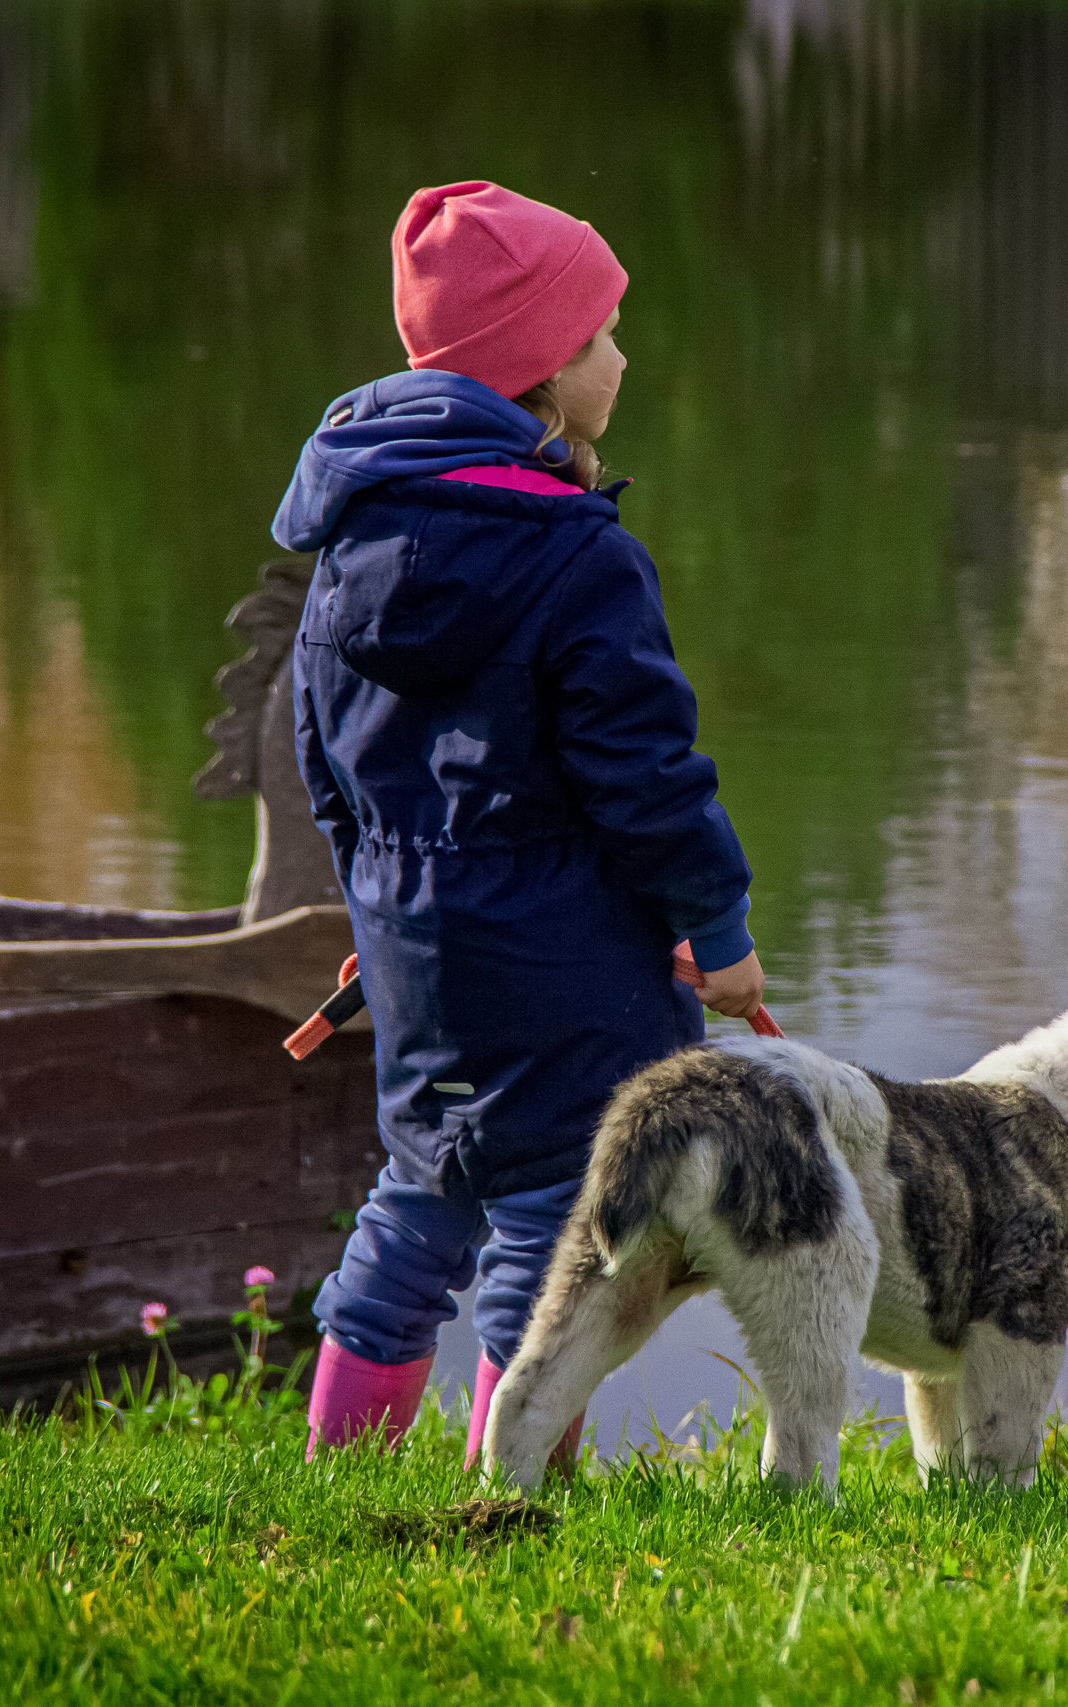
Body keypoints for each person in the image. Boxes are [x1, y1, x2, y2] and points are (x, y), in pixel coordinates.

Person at [272, 181, 764, 1465]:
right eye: (601, 333)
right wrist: (717, 931)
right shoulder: (578, 558)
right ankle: (514, 1491)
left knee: (421, 1196)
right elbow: (647, 778)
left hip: (415, 947)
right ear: (540, 368)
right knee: (556, 1224)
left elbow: (321, 754)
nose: (622, 355)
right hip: (565, 967)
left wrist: (370, 907)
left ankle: (340, 1468)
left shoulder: (351, 545)